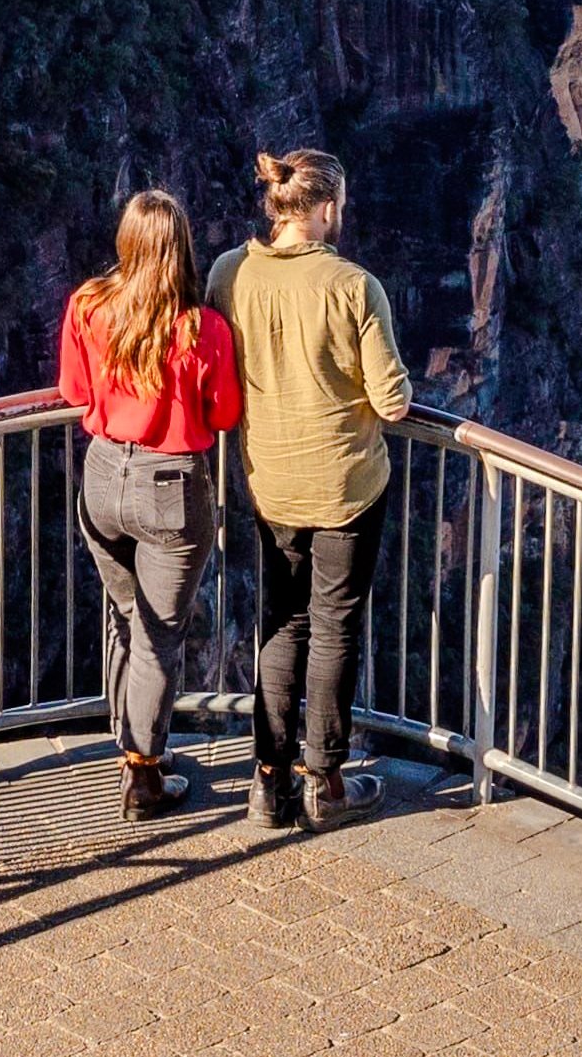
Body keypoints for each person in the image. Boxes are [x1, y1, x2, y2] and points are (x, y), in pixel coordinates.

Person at [220, 146, 417, 829]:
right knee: (334, 628)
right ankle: (323, 783)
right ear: (327, 207)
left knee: (281, 622)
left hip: (269, 482)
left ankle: (267, 783)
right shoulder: (354, 286)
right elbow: (392, 403)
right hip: (344, 487)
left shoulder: (229, 273)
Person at [57, 188, 241, 819]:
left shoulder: (87, 305)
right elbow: (225, 413)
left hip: (103, 475)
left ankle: (126, 742)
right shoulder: (202, 329)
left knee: (125, 612)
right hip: (171, 488)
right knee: (160, 636)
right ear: (182, 248)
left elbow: (73, 389)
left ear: (126, 243)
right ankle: (143, 775)